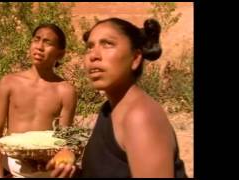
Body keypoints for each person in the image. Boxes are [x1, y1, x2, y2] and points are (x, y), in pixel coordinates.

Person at [46, 17, 188, 178]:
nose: (94, 55)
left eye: (108, 44)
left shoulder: (140, 117)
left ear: (135, 58)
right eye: (90, 47)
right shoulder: (109, 109)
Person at [0, 24, 77, 178]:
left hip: (46, 170)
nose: (40, 47)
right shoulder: (9, 82)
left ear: (60, 54)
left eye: (48, 43)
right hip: (12, 166)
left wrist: (62, 161)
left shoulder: (65, 91)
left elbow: (64, 140)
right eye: (37, 40)